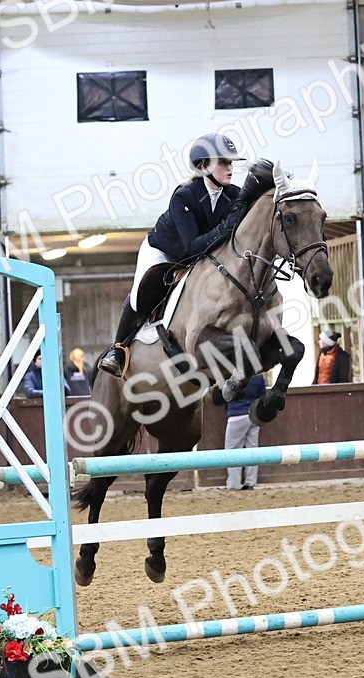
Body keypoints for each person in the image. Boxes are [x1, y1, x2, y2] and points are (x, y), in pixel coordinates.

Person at [96, 133, 246, 377]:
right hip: (165, 251)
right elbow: (191, 246)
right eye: (223, 163)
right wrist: (225, 228)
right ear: (203, 166)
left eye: (231, 163)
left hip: (202, 255)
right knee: (141, 293)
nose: (230, 168)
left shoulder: (234, 195)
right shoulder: (184, 196)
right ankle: (118, 348)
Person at [224, 373, 266, 490]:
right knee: (252, 449)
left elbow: (226, 395)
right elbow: (262, 396)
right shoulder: (258, 376)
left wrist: (229, 410)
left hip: (236, 414)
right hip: (253, 415)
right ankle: (250, 482)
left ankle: (234, 483)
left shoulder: (232, 374)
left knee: (231, 450)